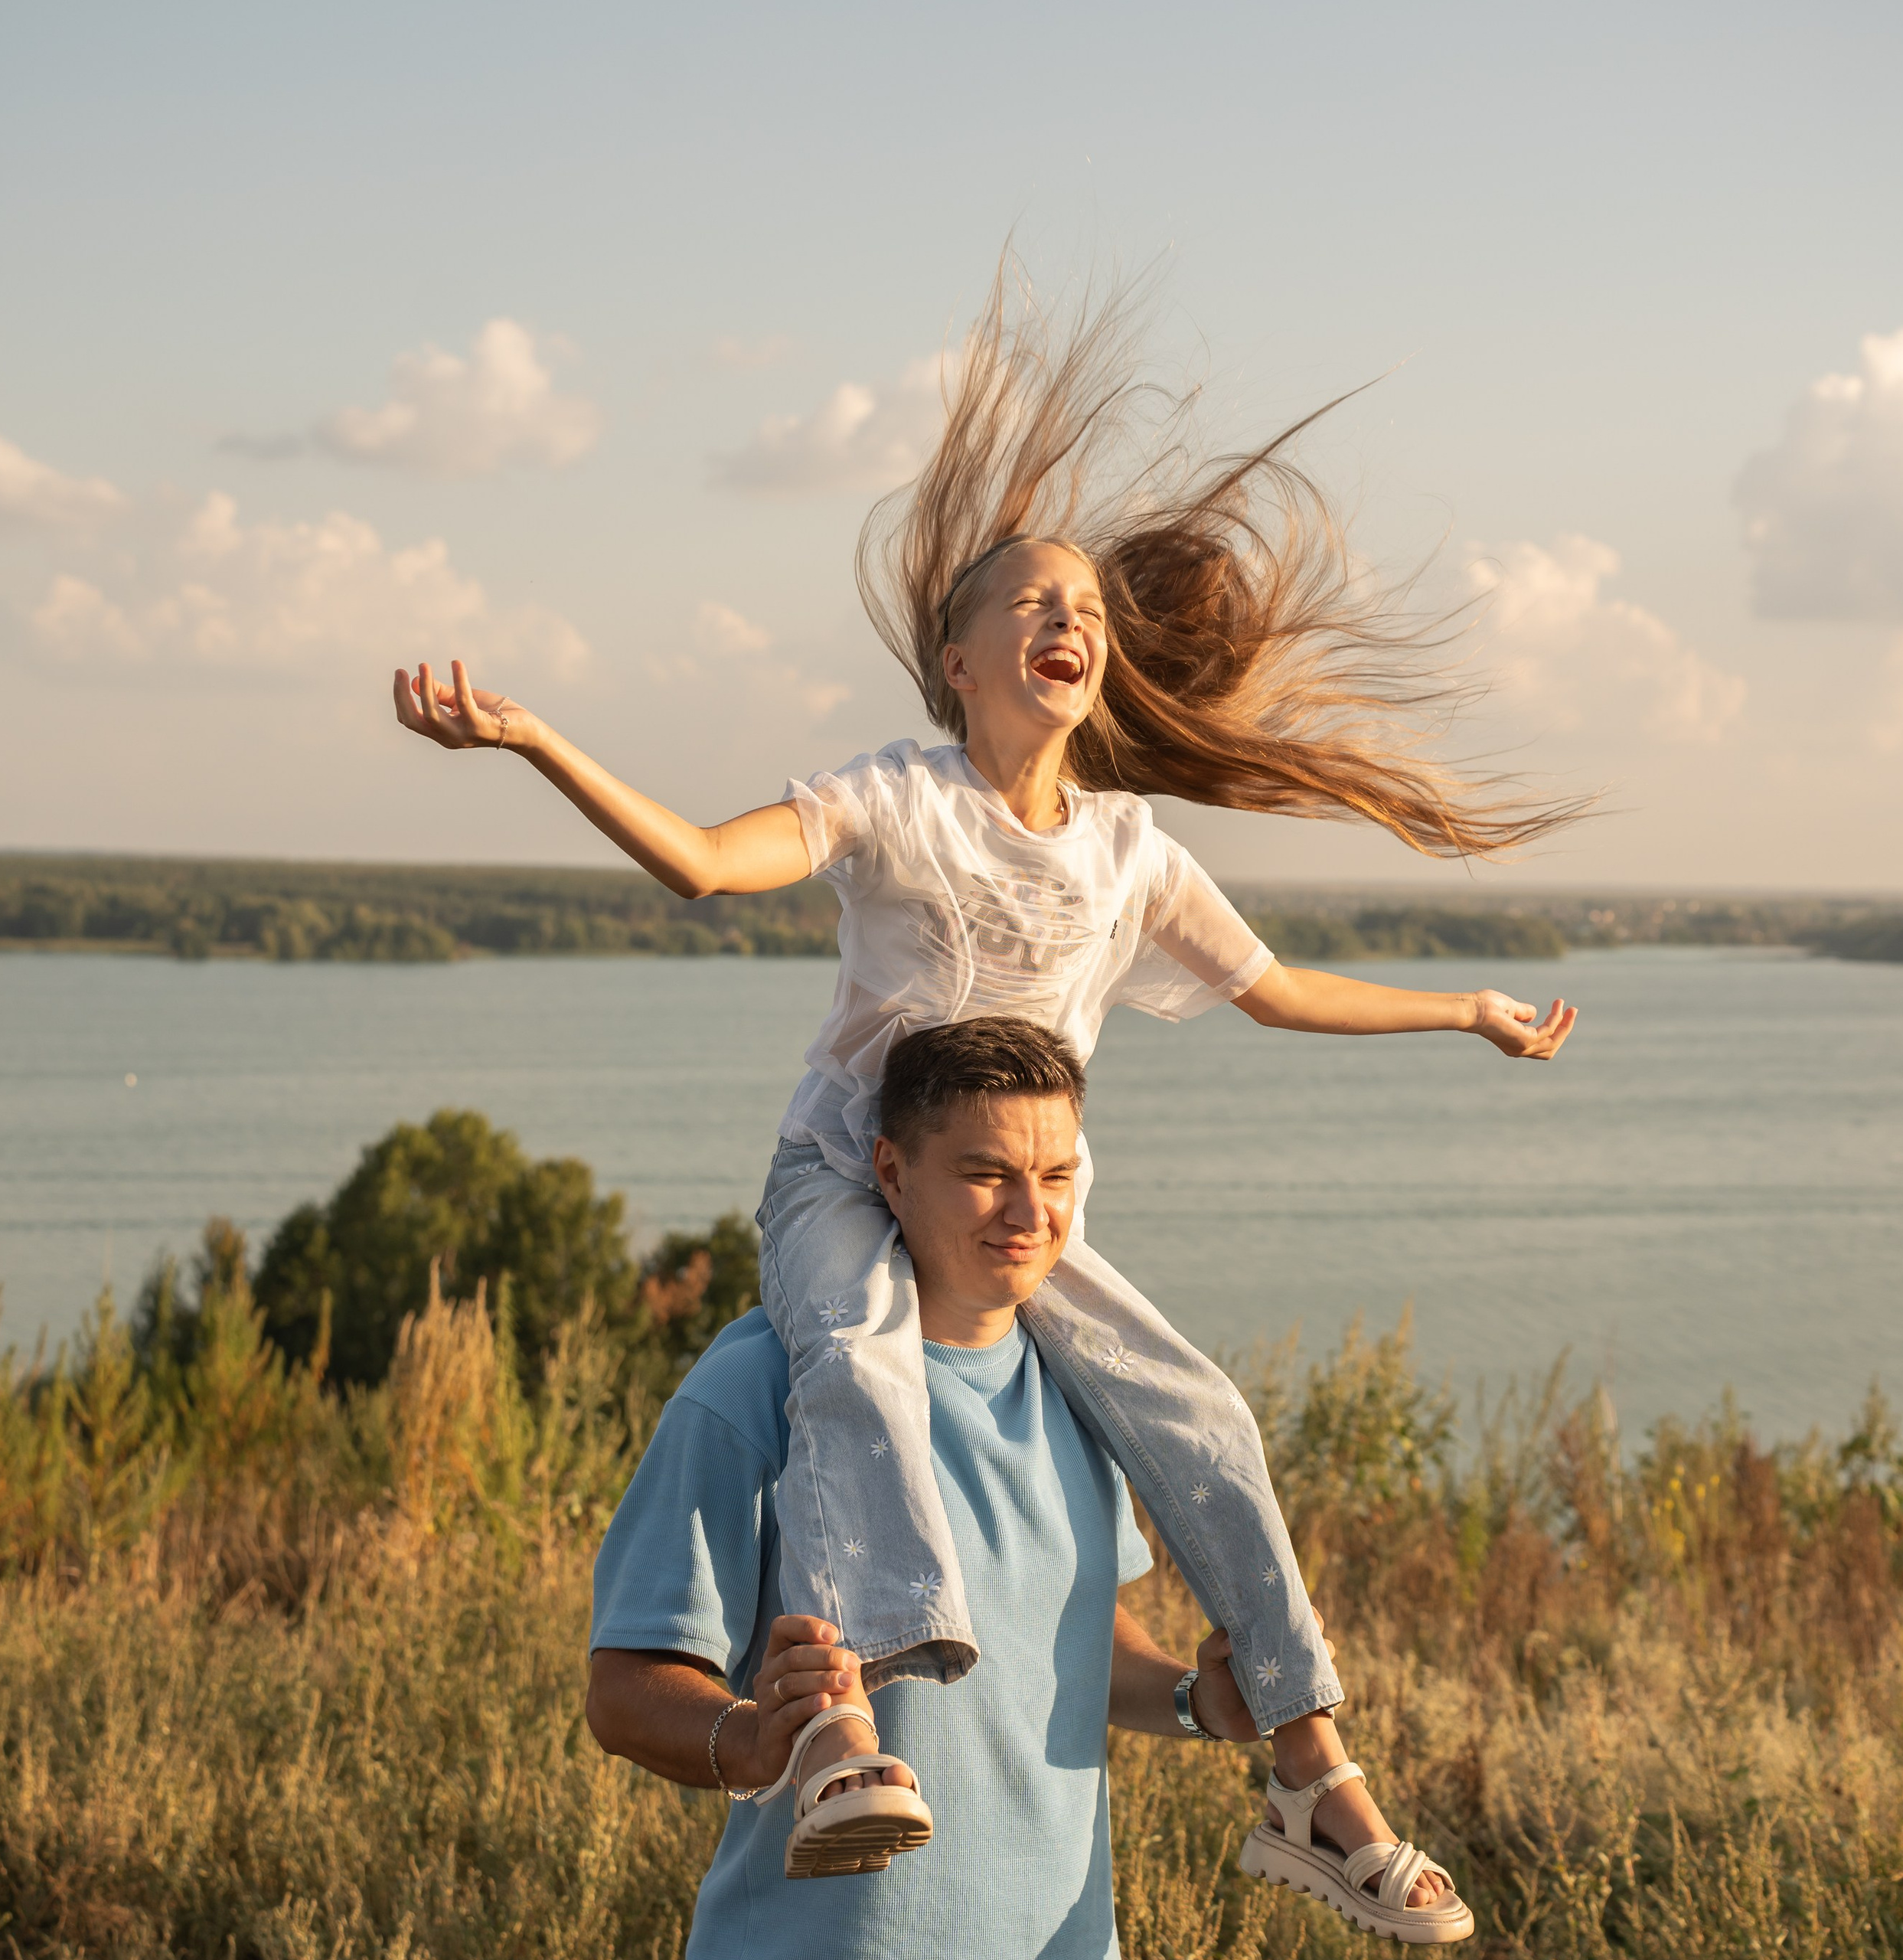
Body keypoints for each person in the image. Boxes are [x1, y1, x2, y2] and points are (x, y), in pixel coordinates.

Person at [393, 269, 1578, 1926]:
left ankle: (1312, 1782)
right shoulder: (891, 798)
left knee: (1203, 1416)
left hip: (1004, 1188)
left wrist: (1464, 1009)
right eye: (1023, 598)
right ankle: (840, 1743)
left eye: (1080, 599)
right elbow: (698, 867)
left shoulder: (1126, 848)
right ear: (954, 659)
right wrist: (531, 738)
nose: (1063, 613)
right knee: (860, 1374)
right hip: (852, 1174)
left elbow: (1281, 988)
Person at [586, 1018, 1473, 1954]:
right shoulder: (761, 1383)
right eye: (986, 1174)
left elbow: (1062, 1646)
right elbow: (624, 1688)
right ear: (890, 1171)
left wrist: (1193, 1701)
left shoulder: (1084, 1388)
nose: (1028, 1212)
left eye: (1055, 1178)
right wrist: (753, 1741)